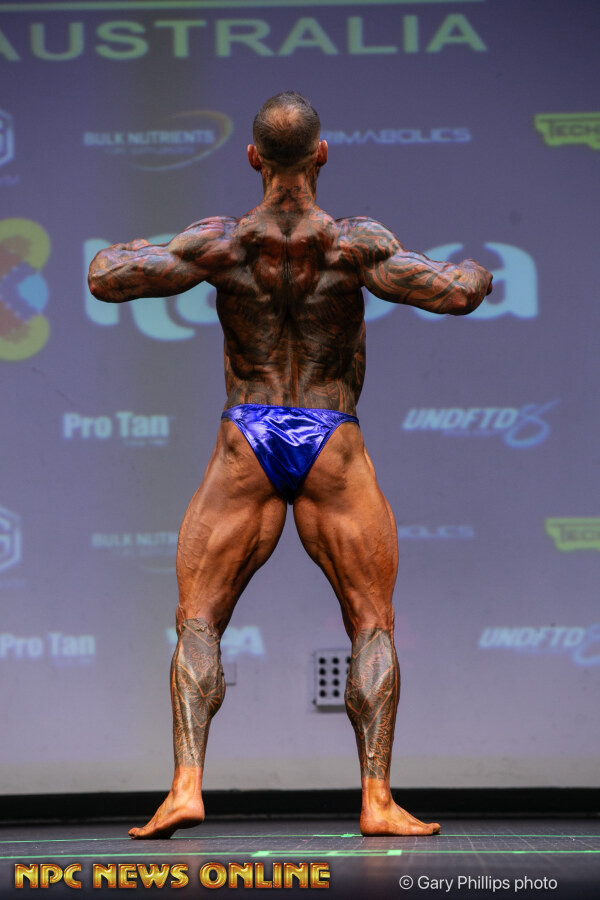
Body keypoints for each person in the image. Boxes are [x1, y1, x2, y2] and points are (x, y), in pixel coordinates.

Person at [88, 91, 493, 839]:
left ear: (253, 157)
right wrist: (475, 272)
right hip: (330, 435)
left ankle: (185, 787)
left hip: (247, 435)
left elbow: (105, 276)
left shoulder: (222, 244)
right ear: (321, 154)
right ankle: (376, 800)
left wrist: (138, 249)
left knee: (198, 619)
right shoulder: (353, 244)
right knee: (371, 623)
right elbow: (459, 294)